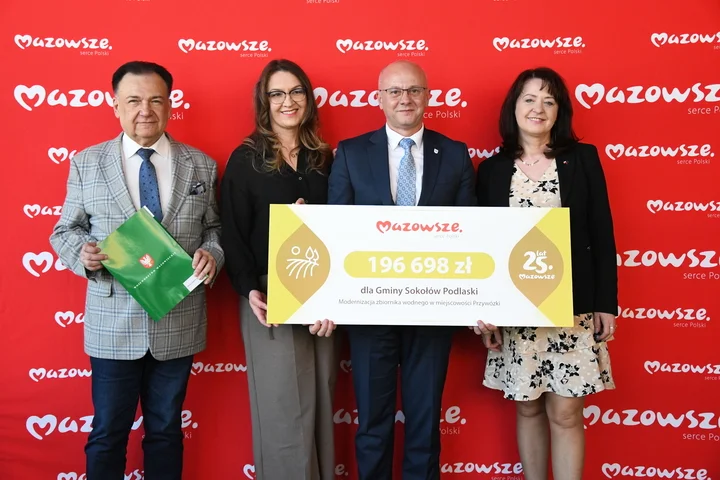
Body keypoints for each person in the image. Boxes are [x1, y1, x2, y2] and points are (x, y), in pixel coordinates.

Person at [49, 61, 224, 480]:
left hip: (178, 318)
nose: (145, 110)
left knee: (165, 432)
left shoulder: (201, 164)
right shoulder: (87, 162)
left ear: (169, 105)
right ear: (115, 106)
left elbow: (215, 228)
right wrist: (83, 255)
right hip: (112, 324)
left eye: (155, 100)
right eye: (133, 101)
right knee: (108, 433)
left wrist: (213, 254)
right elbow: (64, 231)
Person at [327, 60, 476, 480]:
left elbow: (473, 234)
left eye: (413, 90)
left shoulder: (455, 154)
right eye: (394, 91)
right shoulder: (351, 153)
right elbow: (335, 231)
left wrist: (481, 302)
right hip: (368, 311)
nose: (404, 99)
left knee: (424, 426)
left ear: (428, 96)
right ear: (380, 99)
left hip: (434, 311)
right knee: (373, 426)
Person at [473, 66, 618, 480]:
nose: (538, 108)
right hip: (514, 310)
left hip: (571, 307)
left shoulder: (582, 159)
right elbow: (483, 246)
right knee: (527, 406)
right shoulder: (492, 169)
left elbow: (601, 232)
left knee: (567, 412)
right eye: (530, 99)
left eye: (549, 101)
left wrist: (606, 304)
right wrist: (484, 312)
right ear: (514, 107)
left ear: (559, 112)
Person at [219, 59, 339, 480]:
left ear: (308, 98)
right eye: (277, 93)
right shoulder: (246, 160)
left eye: (296, 91)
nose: (288, 101)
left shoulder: (325, 158)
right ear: (264, 102)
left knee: (321, 400)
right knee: (284, 408)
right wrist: (249, 289)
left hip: (323, 294)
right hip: (269, 297)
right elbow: (232, 232)